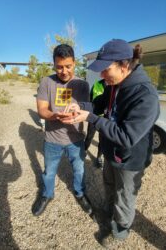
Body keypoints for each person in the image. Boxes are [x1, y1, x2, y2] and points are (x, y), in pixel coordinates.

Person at [61, 39, 160, 242]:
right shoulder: (114, 85)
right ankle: (108, 211)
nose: (101, 75)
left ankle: (120, 228)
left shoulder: (145, 95)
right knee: (108, 184)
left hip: (130, 160)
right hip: (110, 151)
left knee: (125, 196)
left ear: (124, 65)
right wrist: (80, 107)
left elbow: (127, 136)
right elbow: (98, 107)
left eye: (105, 69)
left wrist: (90, 118)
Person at [32, 44, 92, 216]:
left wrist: (77, 112)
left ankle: (80, 193)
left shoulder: (82, 85)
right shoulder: (46, 82)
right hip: (52, 139)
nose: (64, 71)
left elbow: (86, 108)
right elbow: (42, 110)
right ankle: (47, 194)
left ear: (74, 63)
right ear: (54, 64)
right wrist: (54, 115)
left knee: (80, 170)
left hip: (76, 139)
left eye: (68, 66)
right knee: (49, 171)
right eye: (59, 67)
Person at [85, 79, 106, 168]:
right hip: (94, 117)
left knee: (102, 140)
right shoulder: (97, 84)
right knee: (89, 136)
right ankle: (84, 150)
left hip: (106, 120)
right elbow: (90, 100)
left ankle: (99, 157)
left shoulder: (115, 85)